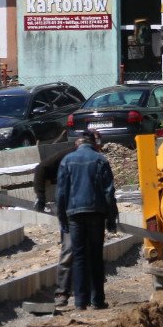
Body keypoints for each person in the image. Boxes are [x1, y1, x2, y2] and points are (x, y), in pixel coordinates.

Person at [54, 131, 118, 310]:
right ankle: (97, 301)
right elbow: (108, 192)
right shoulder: (100, 160)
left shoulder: (67, 160)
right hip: (96, 213)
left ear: (77, 144)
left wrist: (62, 218)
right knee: (96, 256)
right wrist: (111, 218)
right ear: (92, 143)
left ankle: (80, 302)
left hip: (74, 214)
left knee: (79, 257)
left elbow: (60, 193)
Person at [34, 140, 78, 306]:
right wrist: (40, 195)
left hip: (84, 210)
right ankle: (63, 292)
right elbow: (41, 168)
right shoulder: (67, 157)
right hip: (70, 209)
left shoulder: (95, 159)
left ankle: (82, 292)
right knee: (69, 248)